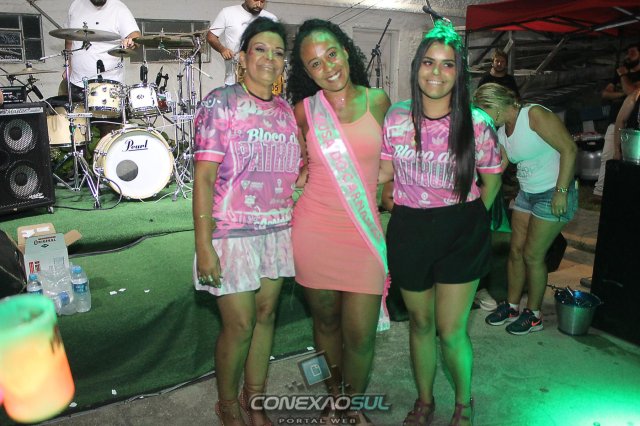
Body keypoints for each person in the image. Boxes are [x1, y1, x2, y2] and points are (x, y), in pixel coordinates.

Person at [379, 20, 502, 426]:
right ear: (416, 67)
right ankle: (425, 400)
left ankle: (464, 403)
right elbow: (382, 173)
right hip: (410, 230)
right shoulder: (396, 117)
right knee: (420, 323)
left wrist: (472, 219)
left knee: (451, 330)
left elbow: (493, 179)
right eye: (428, 62)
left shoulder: (477, 122)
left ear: (459, 72)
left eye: (448, 64)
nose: (436, 72)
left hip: (461, 233)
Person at [192, 17, 299, 426]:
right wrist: (204, 245)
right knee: (239, 325)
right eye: (260, 50)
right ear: (242, 57)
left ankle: (254, 400)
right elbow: (203, 178)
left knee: (266, 316)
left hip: (277, 229)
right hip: (230, 232)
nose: (270, 59)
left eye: (278, 52)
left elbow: (290, 171)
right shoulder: (221, 103)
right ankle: (227, 405)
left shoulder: (286, 111)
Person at [287, 19, 391, 424]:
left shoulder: (378, 101)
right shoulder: (304, 111)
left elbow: (392, 161)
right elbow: (295, 164)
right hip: (314, 232)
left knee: (361, 335)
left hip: (363, 234)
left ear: (346, 50)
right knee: (325, 323)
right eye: (315, 63)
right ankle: (334, 398)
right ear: (306, 72)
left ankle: (355, 402)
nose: (328, 67)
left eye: (332, 54)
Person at [473, 82, 578, 337]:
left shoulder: (534, 115)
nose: (484, 119)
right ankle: (511, 307)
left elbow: (569, 149)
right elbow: (498, 167)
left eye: (484, 111)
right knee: (516, 252)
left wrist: (561, 191)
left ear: (495, 105)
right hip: (527, 194)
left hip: (553, 192)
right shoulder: (501, 131)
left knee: (533, 255)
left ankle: (534, 315)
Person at [64, 0, 140, 99]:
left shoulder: (119, 8)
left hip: (109, 86)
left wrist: (131, 42)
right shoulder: (75, 5)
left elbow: (135, 36)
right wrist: (68, 66)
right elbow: (69, 38)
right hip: (76, 83)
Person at [594, 42, 640, 197]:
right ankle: (600, 192)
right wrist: (624, 94)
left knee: (629, 160)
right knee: (608, 156)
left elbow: (631, 91)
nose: (628, 56)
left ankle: (622, 192)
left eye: (632, 53)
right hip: (615, 120)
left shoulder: (624, 74)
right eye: (627, 53)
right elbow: (605, 94)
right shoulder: (619, 73)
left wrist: (623, 77)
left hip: (633, 125)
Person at [207, 0, 277, 86]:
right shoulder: (227, 13)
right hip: (234, 79)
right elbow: (211, 36)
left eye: (262, 1)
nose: (259, 5)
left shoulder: (271, 18)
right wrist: (222, 49)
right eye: (255, 0)